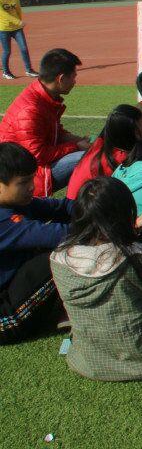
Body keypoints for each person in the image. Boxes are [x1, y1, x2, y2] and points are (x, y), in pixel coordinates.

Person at [50, 177, 142, 381]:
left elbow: (101, 251)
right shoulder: (137, 257)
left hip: (90, 361)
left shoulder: (59, 258)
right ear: (125, 213)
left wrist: (131, 233)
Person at [0, 143, 72, 344]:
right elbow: (60, 235)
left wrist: (98, 205)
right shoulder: (3, 221)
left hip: (9, 292)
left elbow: (62, 207)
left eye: (32, 178)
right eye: (23, 182)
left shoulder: (17, 202)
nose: (32, 186)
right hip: (4, 318)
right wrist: (113, 225)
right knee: (63, 253)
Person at [0, 48, 89, 196]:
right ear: (61, 79)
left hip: (30, 167)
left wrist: (79, 141)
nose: (75, 82)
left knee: (90, 152)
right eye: (73, 77)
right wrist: (75, 146)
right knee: (87, 159)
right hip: (23, 175)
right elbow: (37, 156)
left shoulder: (43, 96)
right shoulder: (31, 110)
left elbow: (56, 132)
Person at [66, 104, 142, 200]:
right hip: (83, 205)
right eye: (140, 131)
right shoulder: (120, 158)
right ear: (126, 134)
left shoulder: (102, 142)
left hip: (77, 201)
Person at [0, 0, 38, 79]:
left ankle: (29, 70)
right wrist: (18, 21)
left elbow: (18, 10)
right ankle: (6, 72)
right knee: (7, 51)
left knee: (24, 48)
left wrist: (19, 22)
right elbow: (3, 14)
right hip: (4, 29)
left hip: (17, 29)